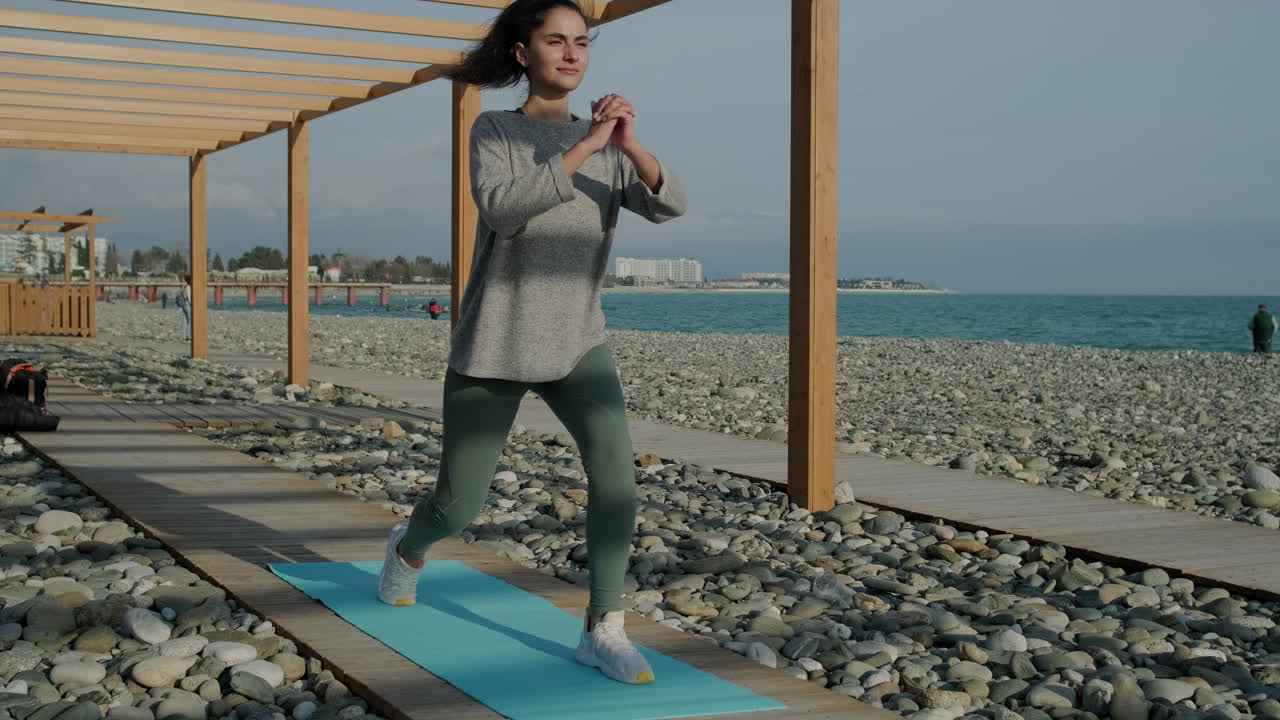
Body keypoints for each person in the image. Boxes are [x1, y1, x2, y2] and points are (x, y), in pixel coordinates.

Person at [375, 0, 685, 686]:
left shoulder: (609, 146)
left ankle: (602, 627)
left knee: (617, 480)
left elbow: (671, 203)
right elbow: (505, 211)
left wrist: (629, 142)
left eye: (581, 42)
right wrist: (585, 146)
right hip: (497, 341)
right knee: (459, 505)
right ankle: (408, 547)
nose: (572, 54)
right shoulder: (496, 129)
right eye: (555, 41)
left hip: (579, 340)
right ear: (524, 54)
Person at [177, 276, 193, 340]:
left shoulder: (184, 287)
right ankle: (188, 336)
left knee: (185, 320)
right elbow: (189, 298)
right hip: (187, 304)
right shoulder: (189, 287)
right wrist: (192, 304)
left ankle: (183, 335)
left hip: (184, 304)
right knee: (189, 320)